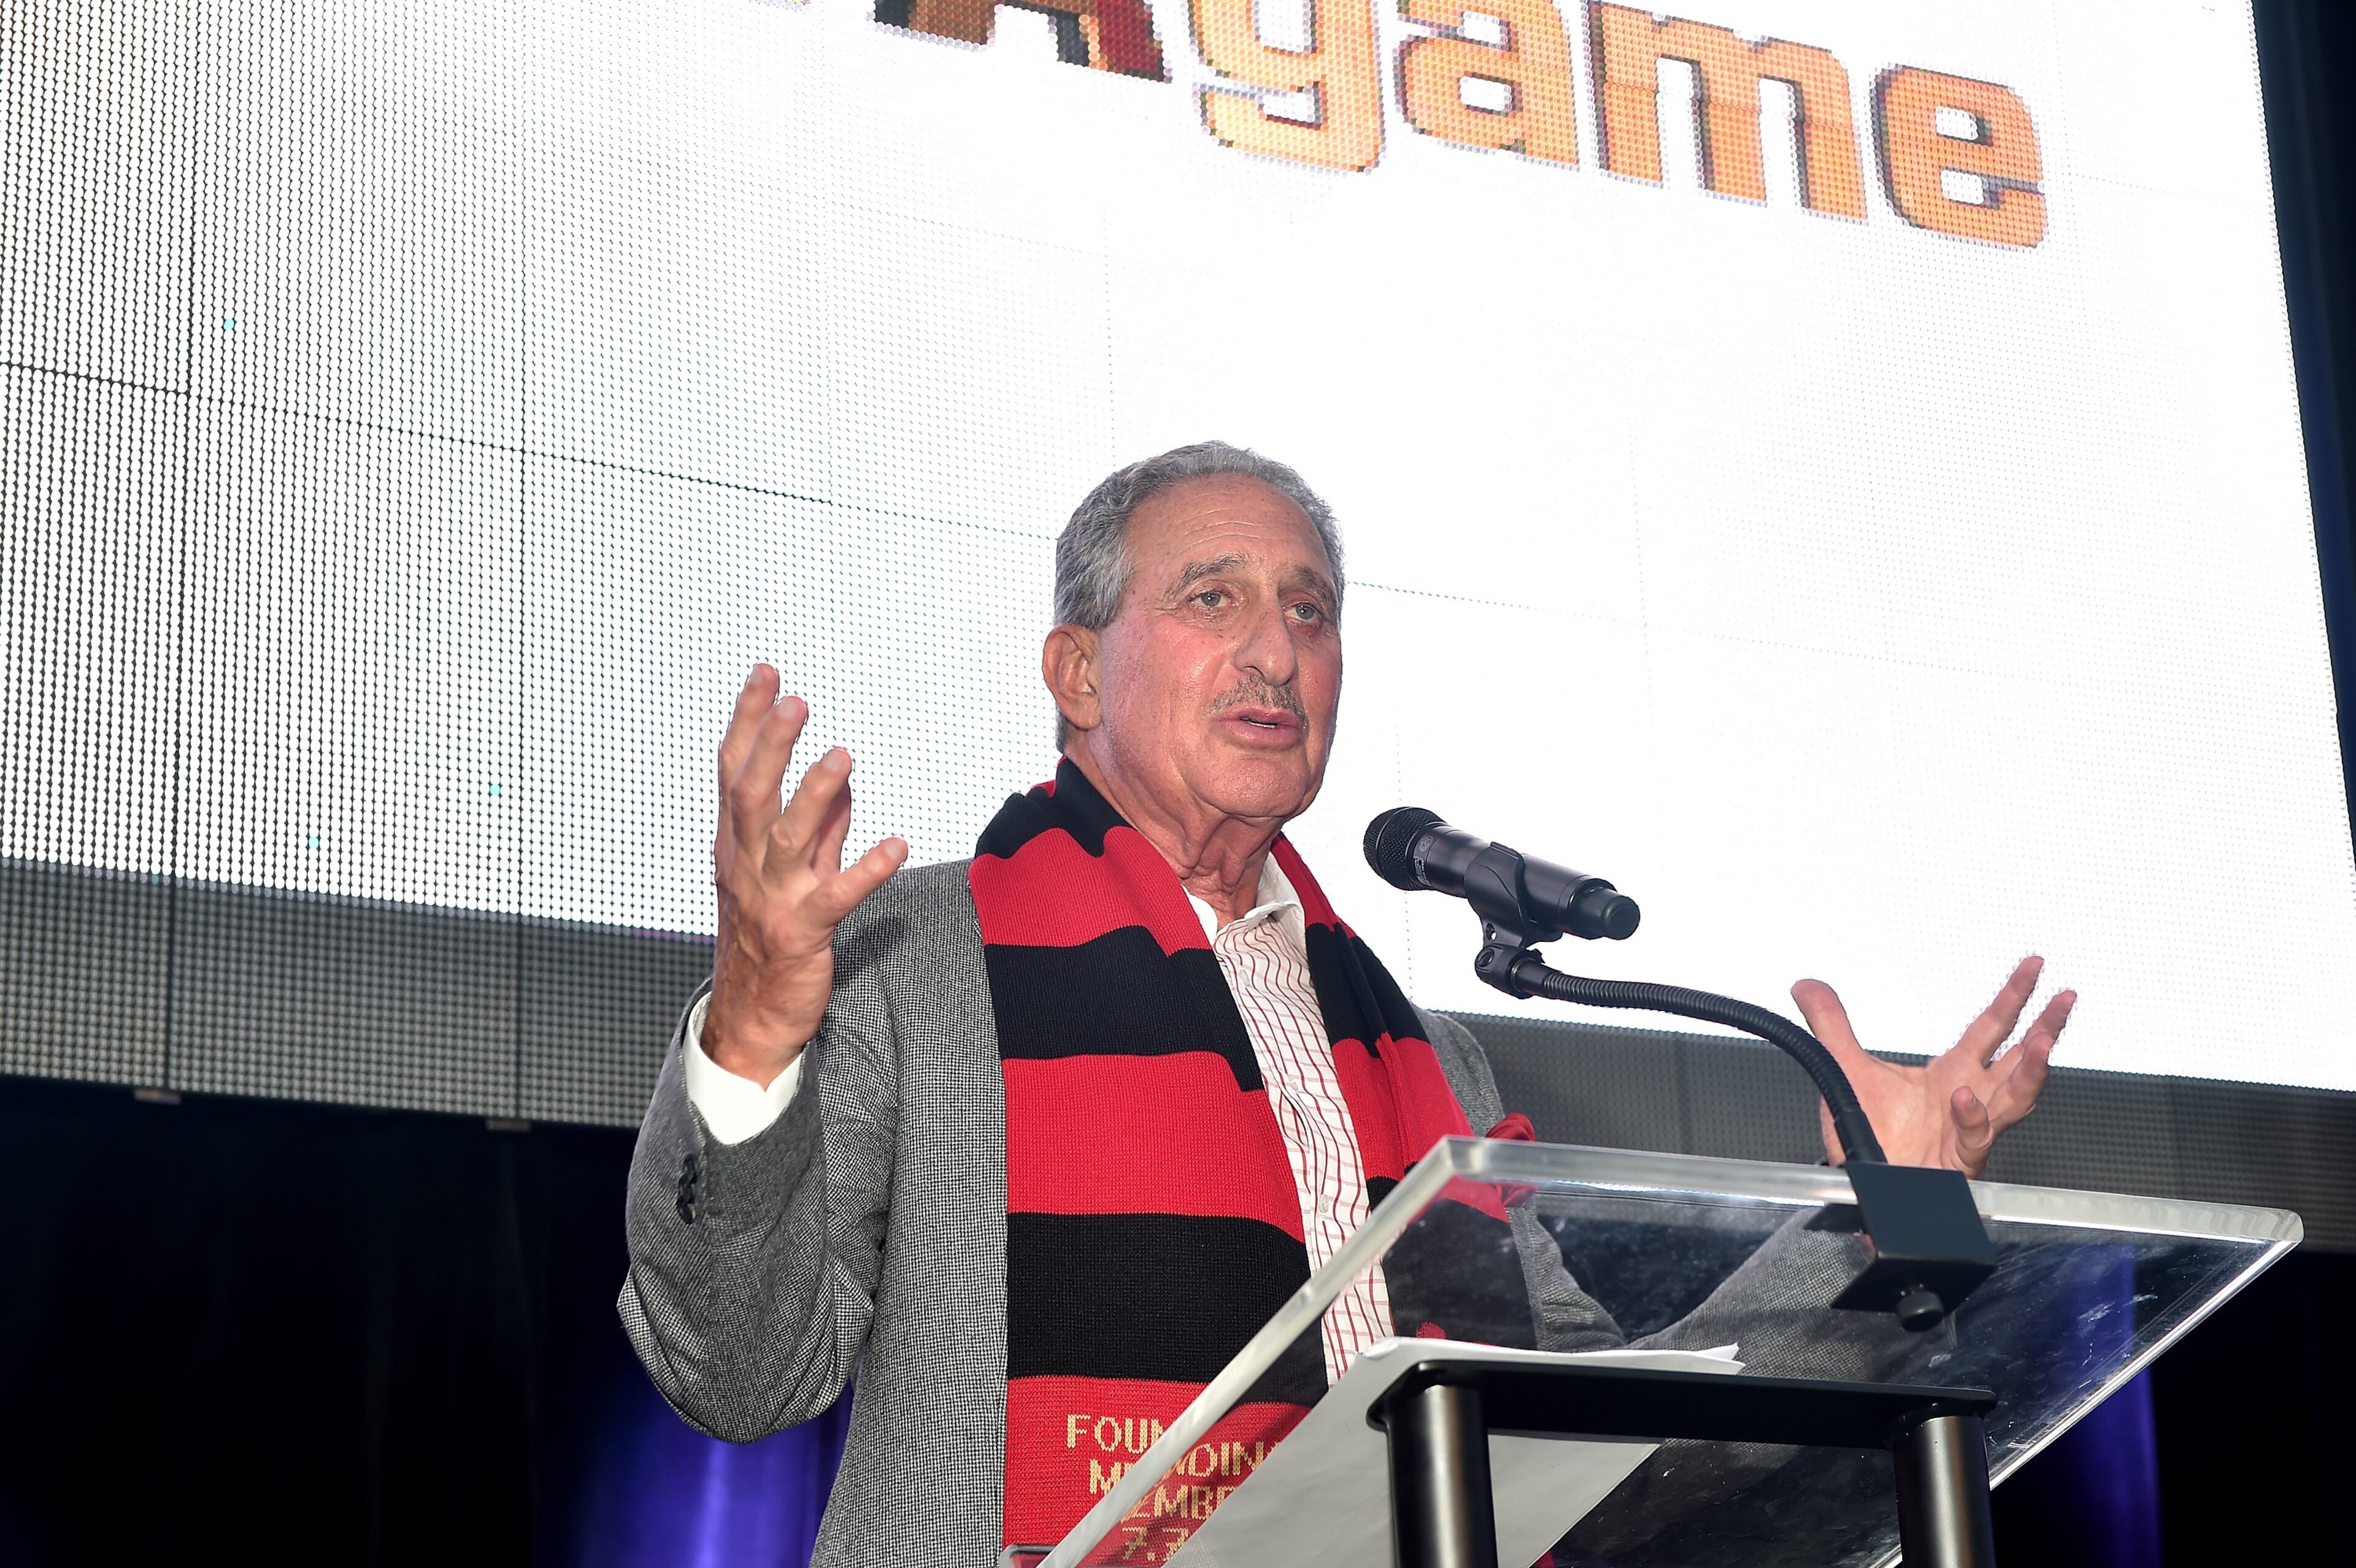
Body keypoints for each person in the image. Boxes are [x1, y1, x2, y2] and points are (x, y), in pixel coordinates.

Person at [620, 441, 2074, 1565]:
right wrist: (749, 1039)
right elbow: (742, 1376)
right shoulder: (915, 961)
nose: (1275, 649)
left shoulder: (1419, 1055)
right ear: (1076, 670)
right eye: (1214, 600)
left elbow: (1615, 1427)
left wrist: (1883, 1223)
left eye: (1308, 611)